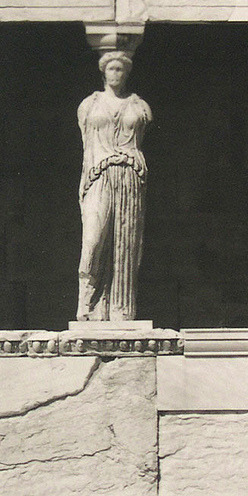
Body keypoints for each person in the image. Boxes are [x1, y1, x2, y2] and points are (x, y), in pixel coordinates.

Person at [77, 51, 152, 321]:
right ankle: (87, 303)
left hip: (130, 176)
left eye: (121, 69)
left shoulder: (140, 107)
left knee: (126, 244)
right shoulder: (89, 104)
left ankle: (120, 312)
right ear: (103, 71)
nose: (116, 74)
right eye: (111, 69)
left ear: (127, 73)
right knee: (93, 240)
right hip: (99, 175)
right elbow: (87, 147)